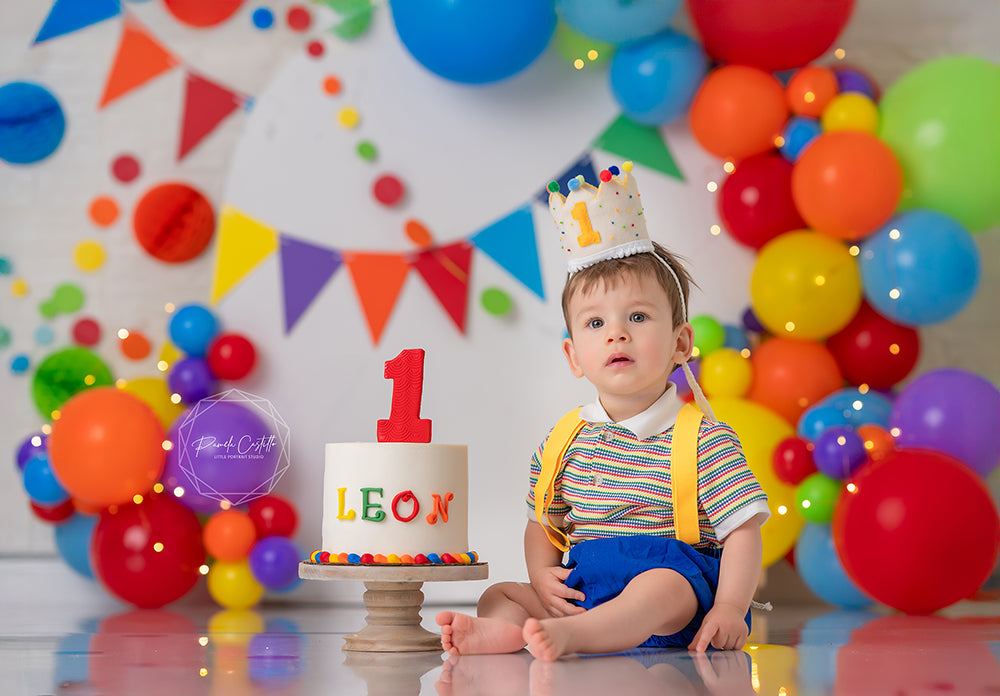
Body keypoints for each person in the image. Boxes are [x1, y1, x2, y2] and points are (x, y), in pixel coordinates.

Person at [437, 162, 770, 661]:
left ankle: (578, 638)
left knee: (660, 587)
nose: (617, 333)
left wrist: (729, 607)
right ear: (574, 357)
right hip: (586, 590)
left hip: (673, 600)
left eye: (637, 316)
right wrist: (541, 578)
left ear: (681, 343)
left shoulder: (704, 439)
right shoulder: (564, 441)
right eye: (595, 323)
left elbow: (742, 531)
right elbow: (542, 524)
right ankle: (509, 631)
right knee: (498, 594)